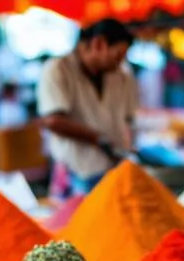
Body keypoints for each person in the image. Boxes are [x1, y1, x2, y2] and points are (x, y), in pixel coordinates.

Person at [37, 19, 138, 196]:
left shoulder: (122, 74)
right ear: (99, 44)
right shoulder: (58, 70)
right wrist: (98, 139)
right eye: (117, 55)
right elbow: (53, 120)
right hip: (75, 172)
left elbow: (129, 119)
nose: (120, 62)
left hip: (114, 172)